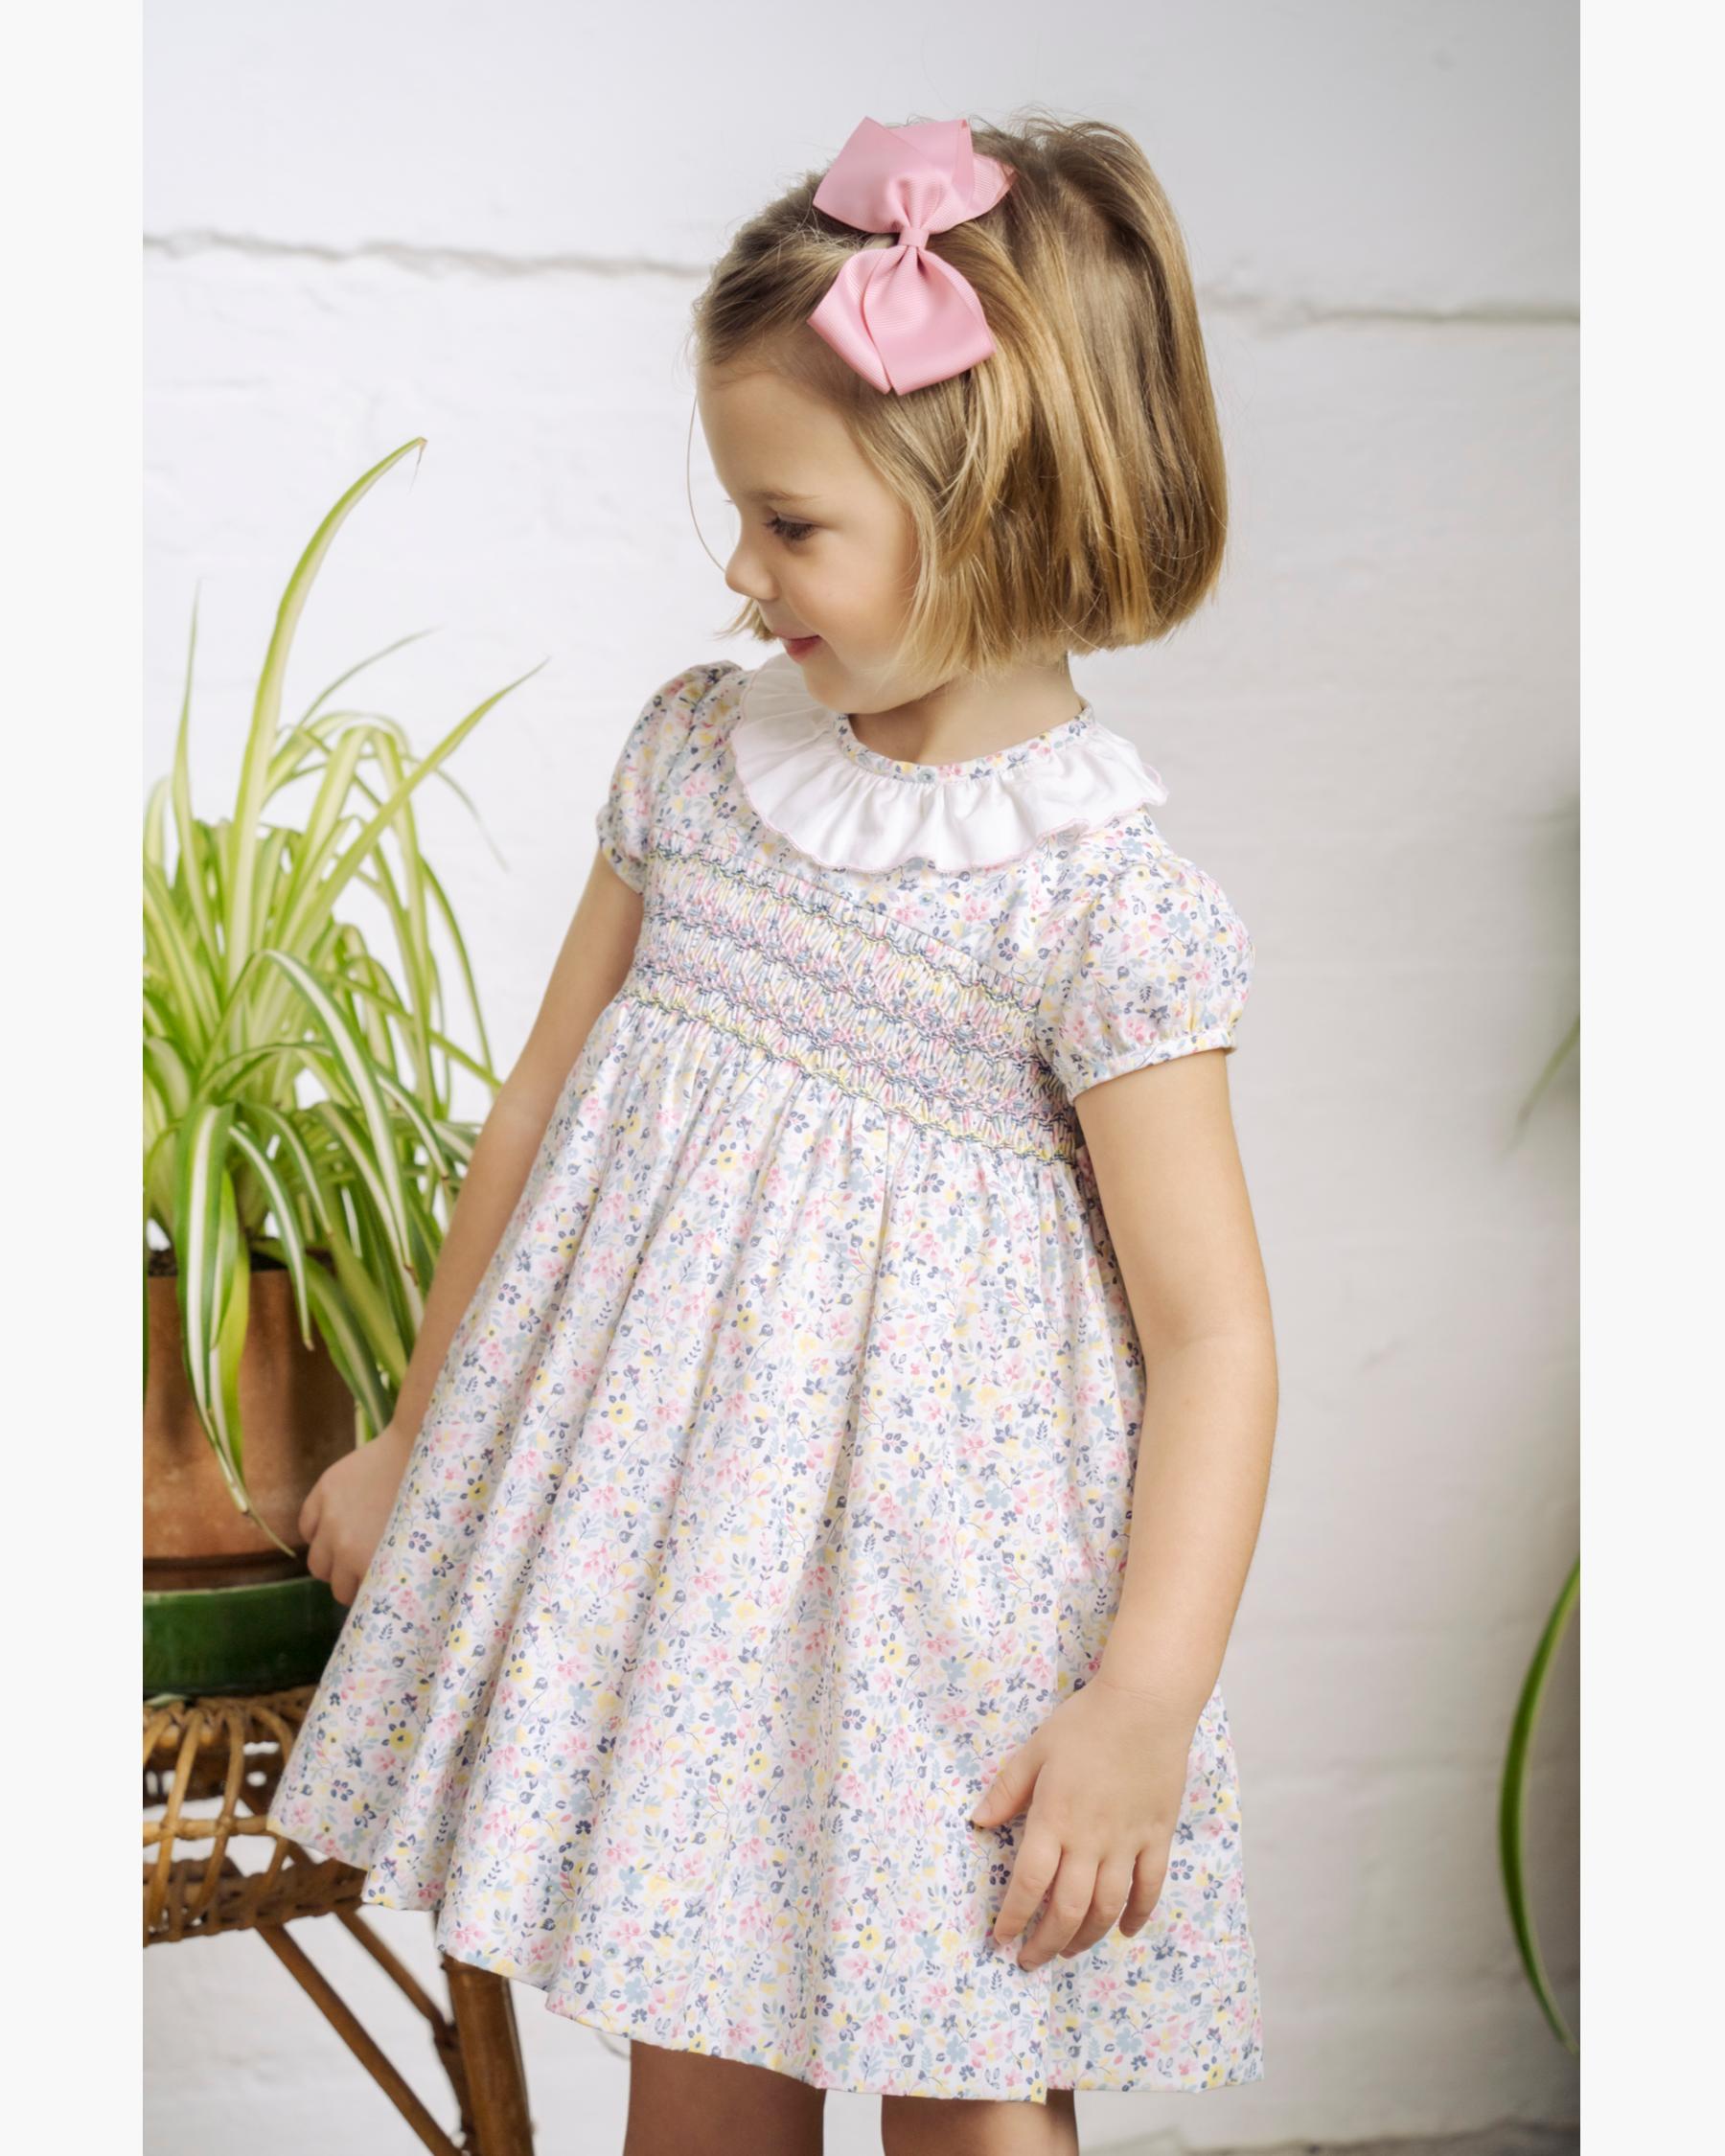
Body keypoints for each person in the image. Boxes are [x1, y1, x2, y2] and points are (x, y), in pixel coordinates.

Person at [267, 110, 1278, 2155]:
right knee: (700, 2050)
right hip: (696, 1601)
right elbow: (536, 1109)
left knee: (970, 2084)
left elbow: (1215, 1338)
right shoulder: (698, 763)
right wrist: (415, 1433)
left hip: (955, 1632)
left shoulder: (1101, 907)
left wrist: (1143, 1701)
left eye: (790, 524)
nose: (741, 571)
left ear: (992, 508)